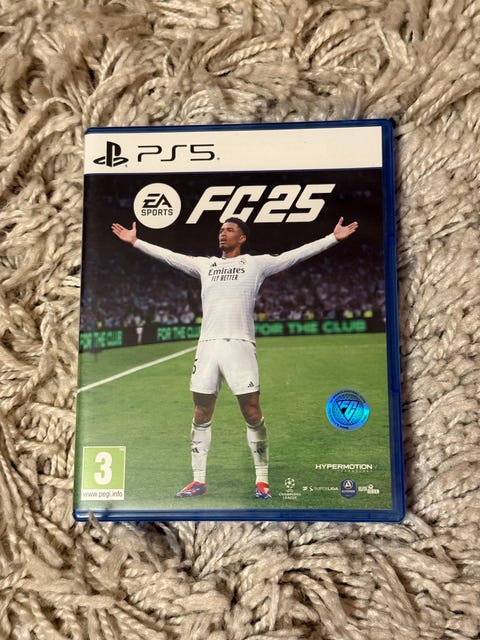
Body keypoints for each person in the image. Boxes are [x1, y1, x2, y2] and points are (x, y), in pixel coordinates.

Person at [111, 216, 358, 499]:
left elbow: (293, 256)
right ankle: (198, 480)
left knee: (252, 411)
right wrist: (136, 242)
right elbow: (170, 257)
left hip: (240, 345)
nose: (223, 233)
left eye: (229, 230)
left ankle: (262, 480)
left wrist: (332, 238)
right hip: (207, 347)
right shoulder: (206, 265)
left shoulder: (255, 264)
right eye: (221, 230)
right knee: (201, 412)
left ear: (242, 238)